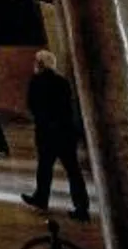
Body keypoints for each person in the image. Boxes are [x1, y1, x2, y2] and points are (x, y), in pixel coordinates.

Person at [21, 50, 89, 221]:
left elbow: (32, 105)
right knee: (73, 170)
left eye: (36, 62)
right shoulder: (62, 82)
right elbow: (68, 105)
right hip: (65, 131)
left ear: (40, 64)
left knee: (45, 167)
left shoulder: (37, 81)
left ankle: (41, 198)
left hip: (46, 132)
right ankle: (81, 207)